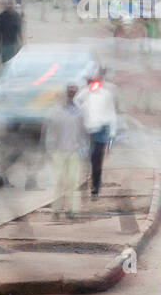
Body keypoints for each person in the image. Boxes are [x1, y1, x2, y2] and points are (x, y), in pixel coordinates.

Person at [45, 84, 88, 219]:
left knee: (72, 182)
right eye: (69, 90)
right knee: (58, 181)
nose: (71, 93)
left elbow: (82, 133)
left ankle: (71, 210)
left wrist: (83, 148)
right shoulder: (54, 112)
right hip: (58, 152)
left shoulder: (79, 111)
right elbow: (50, 133)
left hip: (74, 152)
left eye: (74, 90)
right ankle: (56, 210)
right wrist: (50, 150)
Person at [76, 68, 117, 198]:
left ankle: (96, 185)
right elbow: (76, 103)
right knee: (88, 157)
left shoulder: (106, 94)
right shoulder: (85, 93)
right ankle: (87, 180)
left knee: (97, 158)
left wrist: (112, 132)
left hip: (102, 129)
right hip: (88, 129)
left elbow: (111, 113)